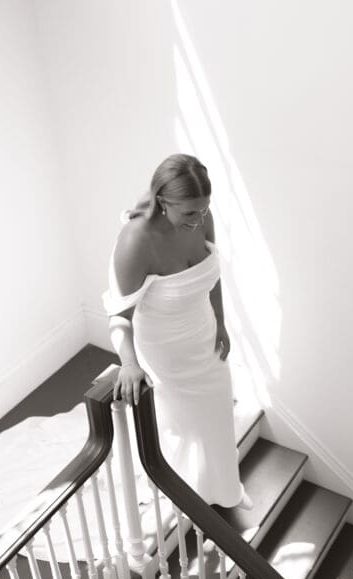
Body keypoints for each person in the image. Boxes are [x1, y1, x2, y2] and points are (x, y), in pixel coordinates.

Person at [102, 154, 252, 509]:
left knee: (217, 416)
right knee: (186, 427)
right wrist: (129, 363)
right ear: (163, 202)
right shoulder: (136, 241)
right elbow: (119, 316)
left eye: (204, 210)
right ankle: (193, 495)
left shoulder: (203, 218)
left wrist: (221, 321)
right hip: (166, 351)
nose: (199, 219)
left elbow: (211, 275)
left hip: (204, 336)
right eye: (189, 213)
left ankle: (224, 490)